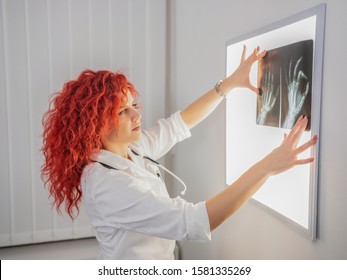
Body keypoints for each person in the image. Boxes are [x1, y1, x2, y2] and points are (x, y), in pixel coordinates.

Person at [41, 46, 317, 259]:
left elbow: (180, 122)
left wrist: (229, 83)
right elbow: (196, 222)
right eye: (123, 111)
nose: (137, 114)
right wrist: (266, 166)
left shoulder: (131, 149)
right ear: (95, 125)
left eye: (134, 104)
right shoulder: (105, 184)